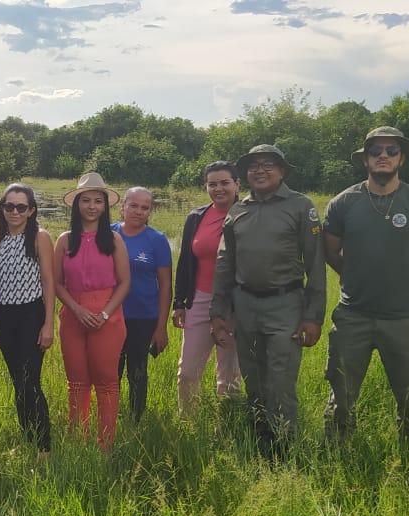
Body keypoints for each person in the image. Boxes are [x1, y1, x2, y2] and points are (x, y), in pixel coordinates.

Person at [322, 127, 409, 442]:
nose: (383, 156)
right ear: (365, 159)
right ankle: (338, 455)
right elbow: (329, 251)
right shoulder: (342, 203)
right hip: (353, 316)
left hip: (403, 318)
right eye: (375, 151)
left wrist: (403, 280)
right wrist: (355, 278)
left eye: (391, 151)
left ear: (401, 158)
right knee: (341, 397)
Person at [210, 145, 325, 458]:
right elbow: (225, 263)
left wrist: (313, 316)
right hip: (245, 305)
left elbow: (315, 264)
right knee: (254, 377)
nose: (260, 170)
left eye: (268, 164)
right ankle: (259, 439)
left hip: (285, 304)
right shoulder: (238, 210)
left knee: (280, 380)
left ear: (282, 171)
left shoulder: (300, 206)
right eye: (253, 166)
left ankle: (284, 449)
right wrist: (217, 311)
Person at [53, 173, 130, 450]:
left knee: (107, 381)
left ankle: (105, 444)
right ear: (77, 205)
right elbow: (56, 283)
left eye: (98, 201)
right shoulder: (64, 240)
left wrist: (105, 314)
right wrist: (75, 309)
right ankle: (77, 442)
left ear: (104, 206)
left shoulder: (113, 239)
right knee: (76, 382)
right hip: (73, 316)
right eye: (86, 200)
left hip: (108, 317)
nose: (92, 206)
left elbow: (125, 283)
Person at [0, 183, 55, 456]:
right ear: (2, 208)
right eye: (9, 206)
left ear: (31, 210)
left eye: (21, 207)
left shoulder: (39, 237)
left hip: (30, 315)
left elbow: (49, 281)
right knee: (17, 382)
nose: (14, 211)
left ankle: (44, 447)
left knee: (30, 381)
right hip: (4, 315)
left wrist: (49, 323)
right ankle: (27, 440)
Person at [172, 161, 243, 420]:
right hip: (199, 300)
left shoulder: (249, 213)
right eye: (212, 184)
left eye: (225, 182)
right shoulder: (196, 217)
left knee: (229, 374)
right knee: (188, 371)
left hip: (235, 304)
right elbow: (185, 262)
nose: (218, 188)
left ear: (237, 184)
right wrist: (179, 301)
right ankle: (188, 423)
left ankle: (227, 426)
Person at [111, 187, 172, 422]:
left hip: (143, 317)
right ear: (122, 207)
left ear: (150, 212)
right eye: (133, 205)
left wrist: (161, 327)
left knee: (137, 371)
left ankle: (136, 418)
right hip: (112, 315)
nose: (138, 211)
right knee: (111, 369)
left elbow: (165, 286)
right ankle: (111, 417)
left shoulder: (156, 240)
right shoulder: (109, 234)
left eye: (144, 207)